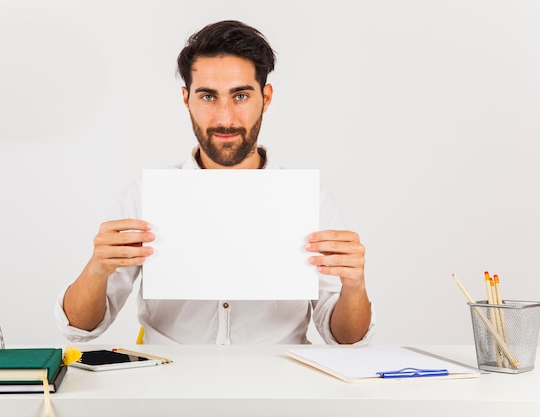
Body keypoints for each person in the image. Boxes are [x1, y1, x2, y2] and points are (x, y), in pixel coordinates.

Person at [55, 20, 374, 345]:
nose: (225, 118)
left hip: (280, 383)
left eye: (240, 96)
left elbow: (346, 340)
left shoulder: (311, 201)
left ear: (266, 98)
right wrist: (97, 267)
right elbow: (79, 328)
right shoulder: (146, 196)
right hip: (169, 381)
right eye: (208, 96)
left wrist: (354, 286)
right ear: (186, 99)